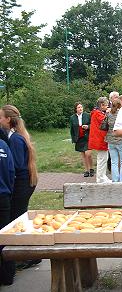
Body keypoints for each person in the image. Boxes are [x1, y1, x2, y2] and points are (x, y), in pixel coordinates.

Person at [0, 105, 40, 270]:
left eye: (1, 117)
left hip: (21, 184)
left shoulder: (15, 139)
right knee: (20, 218)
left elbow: (16, 165)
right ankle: (28, 255)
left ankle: (28, 256)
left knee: (18, 221)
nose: (0, 120)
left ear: (8, 119)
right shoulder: (18, 135)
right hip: (25, 182)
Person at [0, 134, 15, 286]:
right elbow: (11, 171)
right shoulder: (3, 145)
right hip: (4, 195)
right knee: (4, 236)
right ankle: (8, 274)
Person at [88, 97, 111, 183]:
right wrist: (108, 113)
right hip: (100, 140)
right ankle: (101, 178)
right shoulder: (98, 114)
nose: (107, 107)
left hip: (99, 139)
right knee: (102, 159)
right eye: (106, 105)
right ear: (102, 105)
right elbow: (106, 121)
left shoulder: (96, 113)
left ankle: (101, 177)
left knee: (102, 159)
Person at [69, 102, 93, 177]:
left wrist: (88, 127)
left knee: (88, 154)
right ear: (75, 109)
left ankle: (91, 169)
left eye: (81, 107)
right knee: (83, 155)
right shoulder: (72, 117)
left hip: (87, 137)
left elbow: (93, 125)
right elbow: (72, 129)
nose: (80, 109)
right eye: (78, 107)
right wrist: (73, 139)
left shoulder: (87, 115)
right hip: (79, 138)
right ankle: (86, 170)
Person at [105, 99, 122, 182]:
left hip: (110, 139)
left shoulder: (108, 114)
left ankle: (115, 180)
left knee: (114, 162)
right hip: (121, 140)